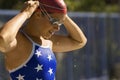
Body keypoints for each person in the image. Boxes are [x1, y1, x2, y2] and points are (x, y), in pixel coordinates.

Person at [0, 0, 87, 80]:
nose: (57, 28)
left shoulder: (48, 42)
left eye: (60, 23)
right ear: (38, 14)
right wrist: (25, 13)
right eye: (54, 21)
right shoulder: (20, 41)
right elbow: (3, 39)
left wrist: (62, 15)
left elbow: (79, 41)